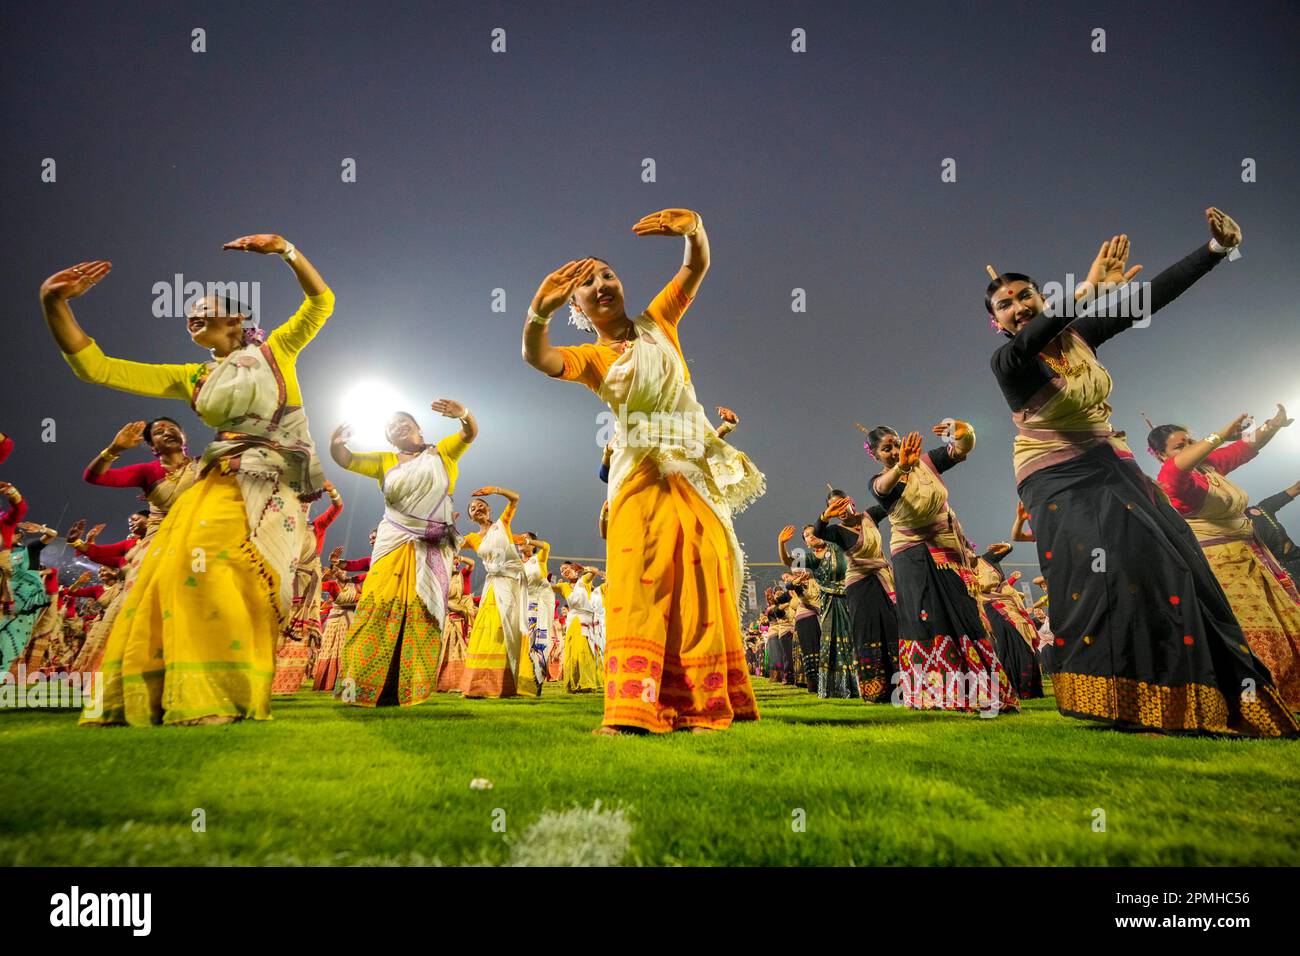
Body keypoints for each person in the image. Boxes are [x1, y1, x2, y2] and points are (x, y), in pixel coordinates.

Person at [987, 210, 1295, 736]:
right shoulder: (1009, 362)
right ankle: (1117, 699)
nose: (1018, 308)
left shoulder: (1080, 336)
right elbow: (1032, 339)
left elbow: (1150, 297)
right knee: (1106, 574)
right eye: (1005, 305)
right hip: (1059, 481)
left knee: (1176, 565)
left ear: (1040, 298)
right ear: (996, 322)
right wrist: (1084, 290)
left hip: (1113, 465)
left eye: (1024, 297)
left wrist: (1215, 251)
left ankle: (1195, 696)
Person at [42, 233, 335, 725]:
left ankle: (224, 690)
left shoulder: (278, 349)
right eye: (187, 312)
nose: (191, 315)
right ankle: (173, 690)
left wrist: (285, 250)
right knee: (175, 566)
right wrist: (52, 302)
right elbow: (97, 369)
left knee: (233, 569)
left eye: (204, 307)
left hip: (271, 480)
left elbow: (321, 301)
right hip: (220, 480)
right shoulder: (192, 377)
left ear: (236, 318)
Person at [522, 208, 763, 734]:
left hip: (689, 473)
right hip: (637, 476)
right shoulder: (590, 357)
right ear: (578, 306)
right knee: (638, 579)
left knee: (701, 573)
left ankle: (703, 703)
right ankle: (632, 708)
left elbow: (695, 268)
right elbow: (539, 358)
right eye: (586, 284)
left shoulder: (659, 323)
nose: (600, 284)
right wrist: (538, 312)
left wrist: (696, 227)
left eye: (606, 274)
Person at [1152, 405, 1300, 709]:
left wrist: (1273, 424)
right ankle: (1255, 696)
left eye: (1191, 441)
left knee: (1284, 618)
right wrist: (1218, 434)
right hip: (1221, 567)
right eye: (1180, 446)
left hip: (1252, 558)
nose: (1191, 448)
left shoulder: (1210, 468)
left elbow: (1247, 446)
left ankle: (1289, 691)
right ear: (1161, 455)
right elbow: (1177, 469)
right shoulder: (1173, 480)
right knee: (1252, 627)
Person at [331, 402, 477, 706]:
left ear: (418, 428)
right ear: (389, 438)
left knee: (420, 614)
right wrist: (336, 444)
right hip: (393, 542)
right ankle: (357, 690)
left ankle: (406, 690)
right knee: (377, 609)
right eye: (390, 426)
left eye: (403, 422)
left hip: (432, 547)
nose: (396, 426)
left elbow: (469, 433)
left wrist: (463, 414)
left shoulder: (442, 453)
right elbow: (346, 460)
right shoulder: (384, 460)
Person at [869, 423, 1018, 714]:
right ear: (875, 455)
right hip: (913, 558)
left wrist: (966, 431)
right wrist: (900, 466)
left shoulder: (925, 463)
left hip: (949, 553)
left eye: (897, 443)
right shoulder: (882, 480)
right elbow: (882, 489)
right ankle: (934, 694)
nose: (895, 450)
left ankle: (985, 693)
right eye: (886, 448)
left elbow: (960, 450)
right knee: (928, 619)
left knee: (965, 616)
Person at [815, 490, 899, 702]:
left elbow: (889, 501)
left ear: (851, 501)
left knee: (891, 626)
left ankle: (900, 685)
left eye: (842, 504)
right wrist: (826, 515)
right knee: (866, 629)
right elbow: (819, 531)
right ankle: (874, 690)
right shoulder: (837, 531)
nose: (840, 511)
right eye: (834, 508)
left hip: (882, 578)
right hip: (859, 584)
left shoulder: (869, 517)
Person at [460, 487, 526, 697]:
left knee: (508, 630)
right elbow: (448, 544)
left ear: (489, 510)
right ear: (470, 516)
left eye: (481, 505)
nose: (477, 508)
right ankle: (478, 684)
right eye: (472, 508)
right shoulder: (472, 538)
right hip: (492, 588)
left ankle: (505, 684)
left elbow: (515, 497)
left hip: (509, 586)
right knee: (487, 629)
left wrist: (494, 490)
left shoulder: (502, 524)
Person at [1246, 481, 1300, 583]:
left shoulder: (1263, 507)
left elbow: (1296, 488)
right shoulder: (1227, 531)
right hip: (1279, 572)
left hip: (1296, 555)